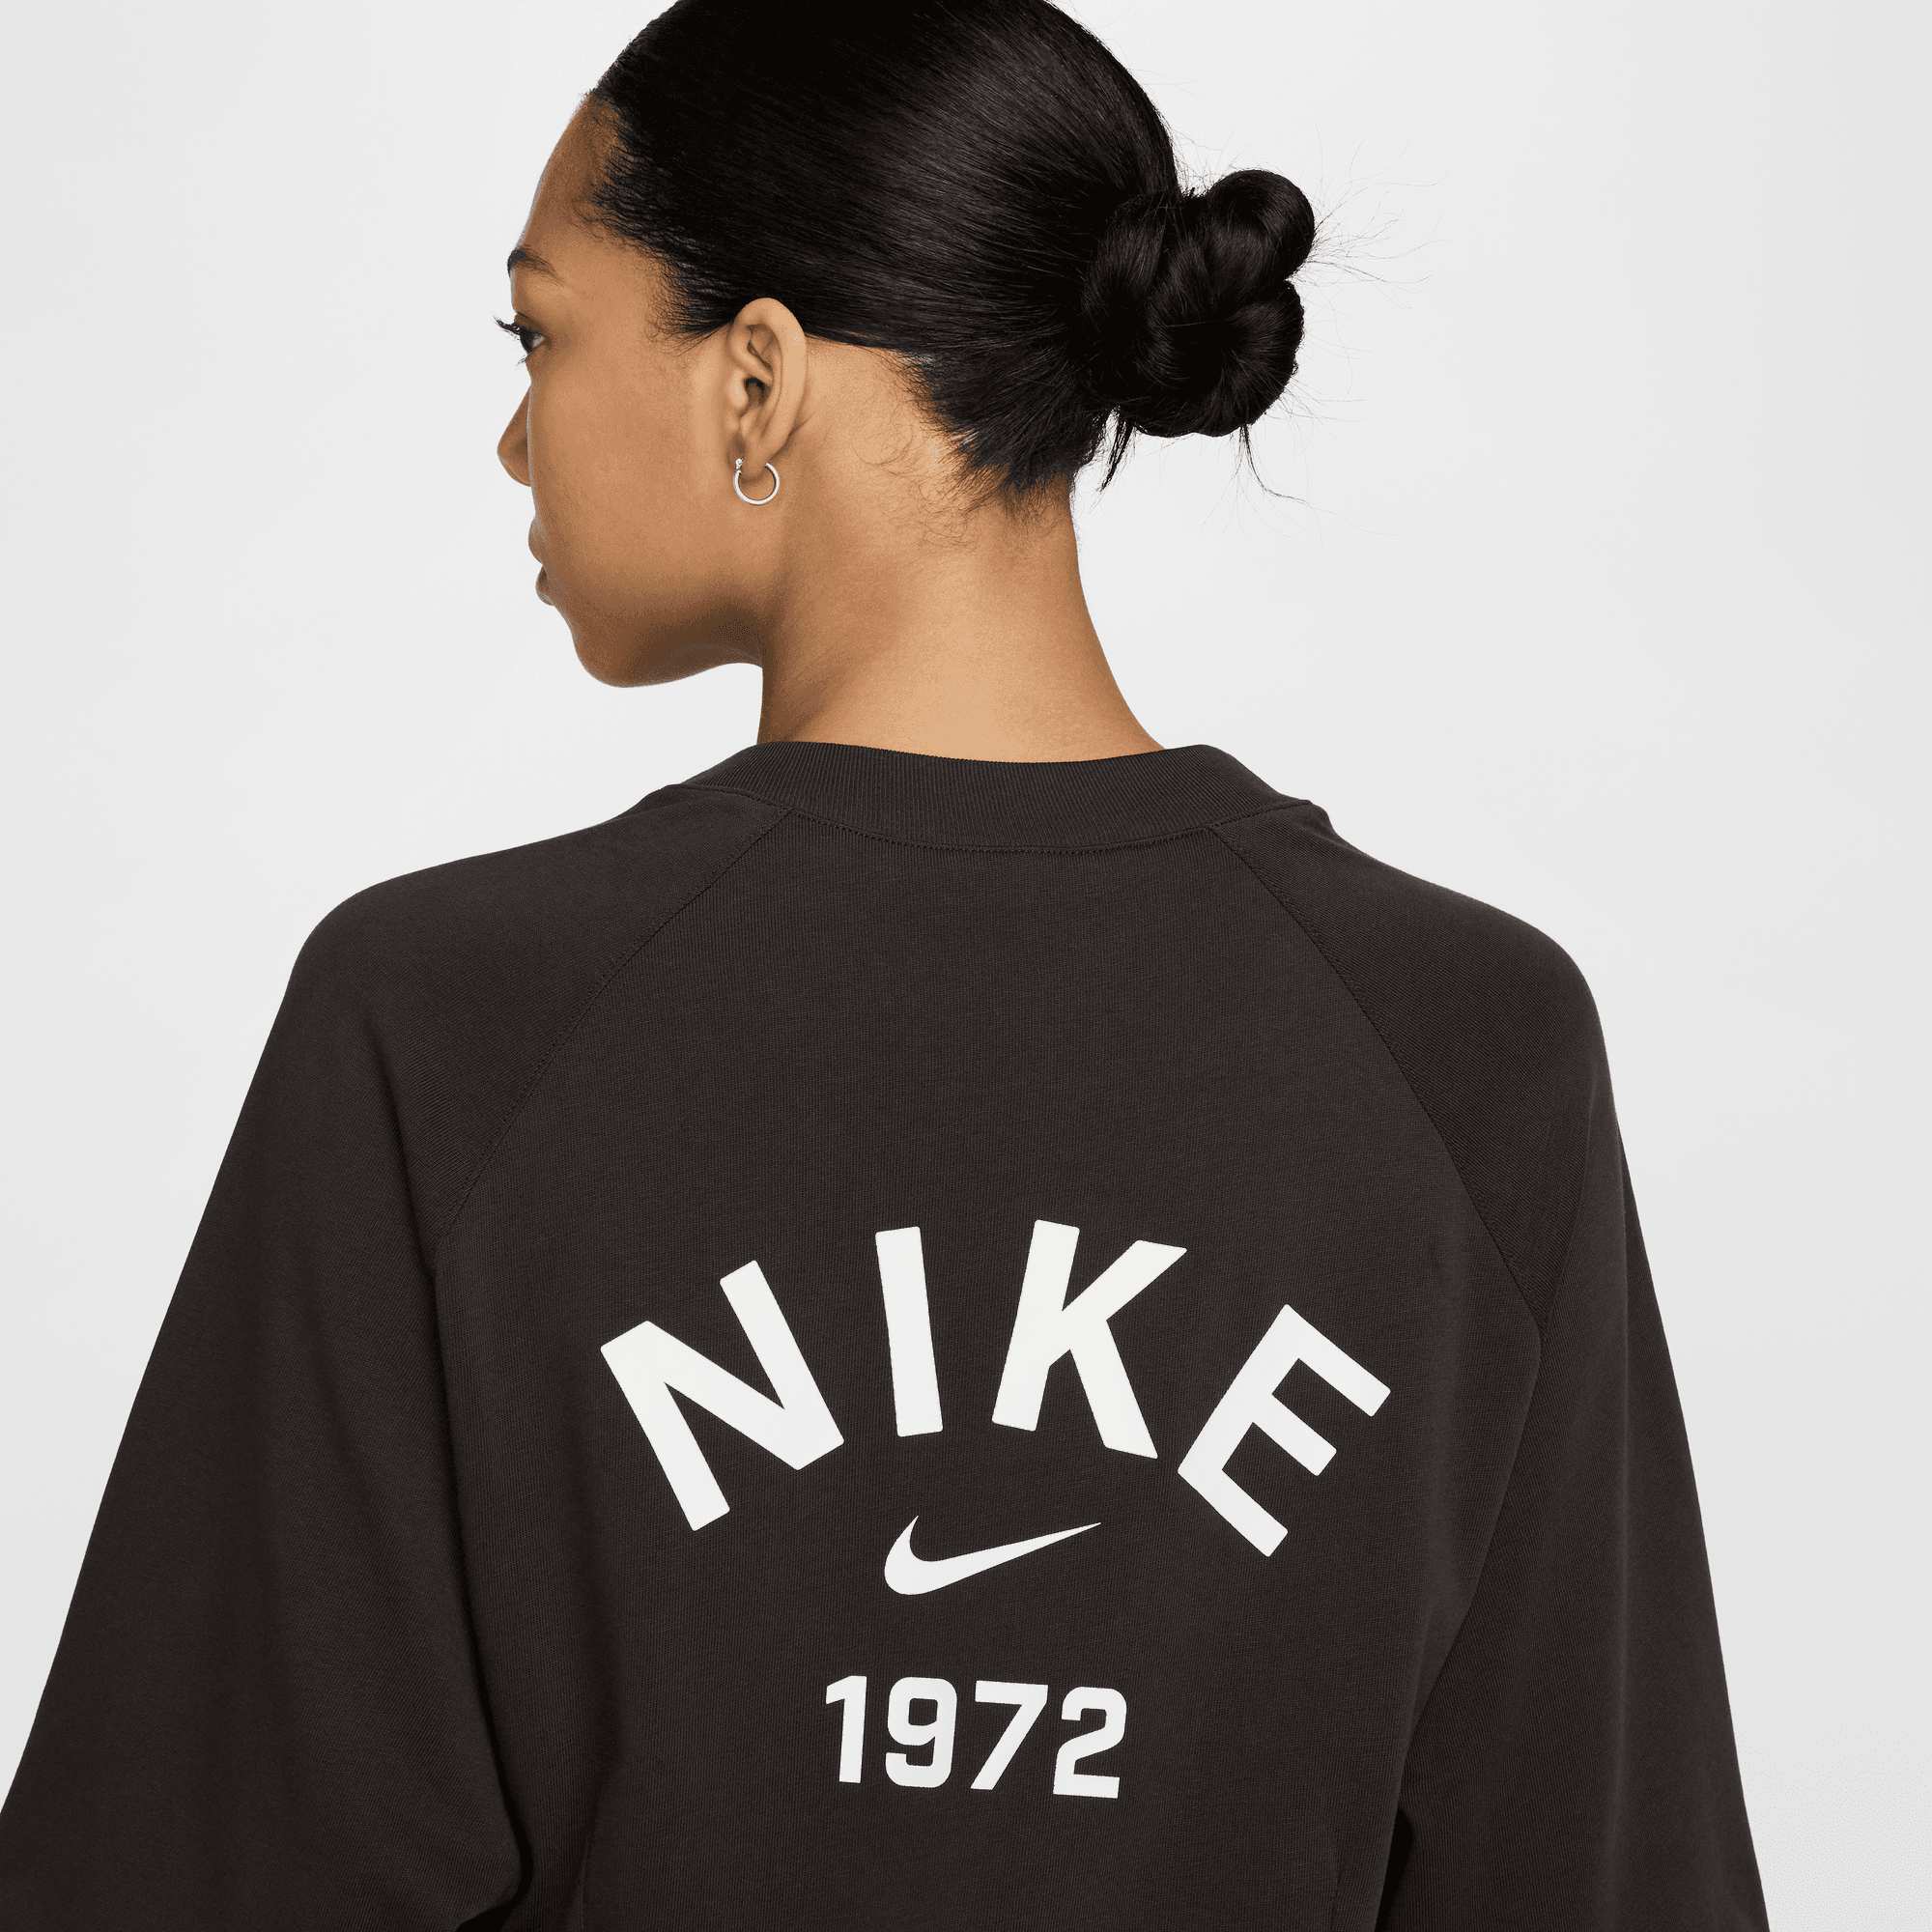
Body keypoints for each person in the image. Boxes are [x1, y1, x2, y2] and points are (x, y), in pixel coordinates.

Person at [0, 2, 1769, 1926]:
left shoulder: (449, 1019)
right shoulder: (1466, 1042)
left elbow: (184, 1874)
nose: (515, 436)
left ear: (755, 378)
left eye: (540, 336)